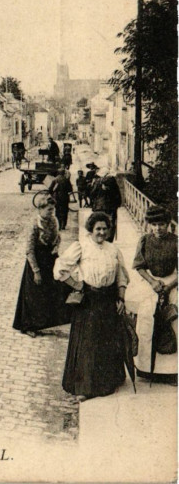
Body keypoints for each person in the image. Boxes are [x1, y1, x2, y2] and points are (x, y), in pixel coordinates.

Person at [54, 211, 129, 401]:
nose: (102, 233)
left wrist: (120, 298)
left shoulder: (113, 250)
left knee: (107, 340)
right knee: (87, 342)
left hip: (108, 300)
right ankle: (84, 387)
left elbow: (121, 275)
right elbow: (60, 268)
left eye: (105, 229)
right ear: (91, 230)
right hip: (89, 300)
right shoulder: (81, 247)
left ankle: (107, 382)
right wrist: (77, 284)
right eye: (98, 229)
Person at [13, 193, 71, 338]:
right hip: (37, 261)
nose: (51, 213)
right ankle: (28, 326)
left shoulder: (54, 221)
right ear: (40, 209)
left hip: (49, 260)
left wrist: (56, 247)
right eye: (49, 210)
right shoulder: (34, 225)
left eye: (53, 210)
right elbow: (29, 250)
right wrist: (36, 271)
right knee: (34, 296)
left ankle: (45, 323)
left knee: (51, 291)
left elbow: (58, 237)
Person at [132, 205, 178, 384]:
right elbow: (139, 266)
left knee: (173, 321)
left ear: (168, 224)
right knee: (147, 320)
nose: (158, 228)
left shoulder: (176, 242)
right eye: (154, 224)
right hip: (151, 283)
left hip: (172, 282)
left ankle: (171, 371)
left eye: (162, 224)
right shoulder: (145, 240)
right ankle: (147, 369)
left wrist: (168, 286)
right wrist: (152, 282)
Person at [90, 168, 122, 242]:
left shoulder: (97, 182)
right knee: (110, 224)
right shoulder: (112, 181)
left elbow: (92, 194)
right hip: (111, 207)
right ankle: (108, 240)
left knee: (98, 223)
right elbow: (117, 195)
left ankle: (99, 239)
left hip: (98, 207)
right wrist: (117, 204)